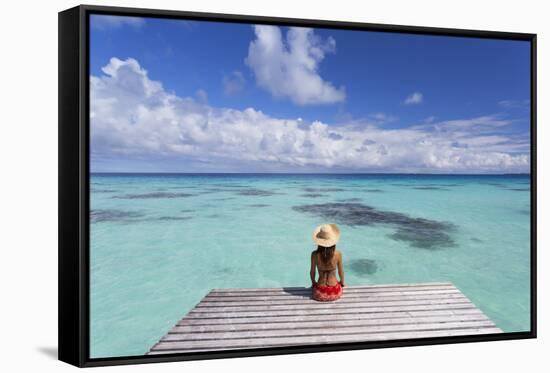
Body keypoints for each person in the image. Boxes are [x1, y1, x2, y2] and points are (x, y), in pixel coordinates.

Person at [310, 224, 345, 301]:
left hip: (319, 293)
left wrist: (313, 283)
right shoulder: (338, 254)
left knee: (316, 288)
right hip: (334, 292)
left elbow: (312, 272)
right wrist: (342, 282)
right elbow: (341, 271)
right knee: (338, 286)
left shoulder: (314, 254)